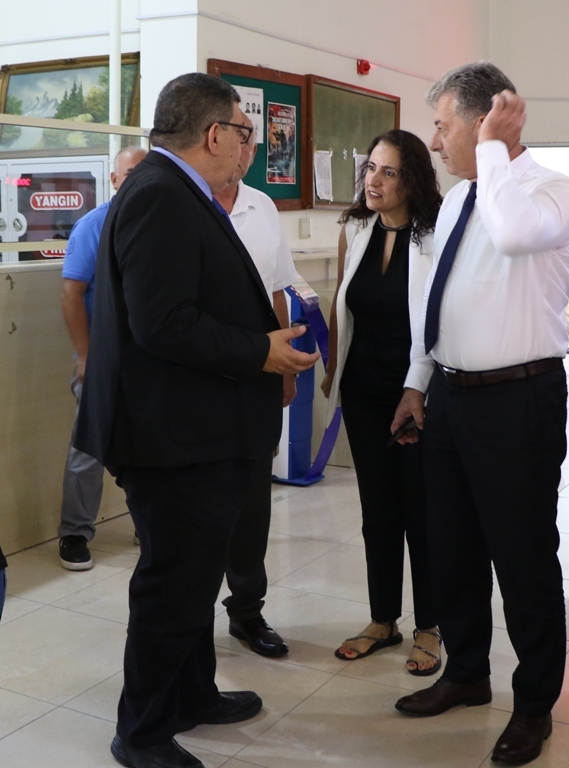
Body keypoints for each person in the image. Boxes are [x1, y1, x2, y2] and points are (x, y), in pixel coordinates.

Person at [75, 73, 320, 768]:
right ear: (214, 134)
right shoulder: (160, 195)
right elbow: (162, 323)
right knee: (172, 587)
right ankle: (143, 733)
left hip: (194, 430)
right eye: (244, 133)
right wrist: (258, 351)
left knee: (194, 580)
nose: (248, 146)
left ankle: (192, 695)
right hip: (173, 438)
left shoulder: (176, 190)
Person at [391, 62, 569, 766]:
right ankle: (468, 672)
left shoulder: (555, 191)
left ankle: (533, 705)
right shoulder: (455, 202)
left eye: (443, 126)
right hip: (450, 396)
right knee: (453, 549)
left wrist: (496, 153)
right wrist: (417, 382)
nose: (434, 141)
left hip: (518, 401)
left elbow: (510, 234)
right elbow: (435, 299)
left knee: (523, 557)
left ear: (484, 122)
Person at [318, 129, 443, 675]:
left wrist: (421, 387)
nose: (374, 180)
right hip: (364, 390)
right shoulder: (356, 229)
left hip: (417, 394)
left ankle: (430, 626)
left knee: (422, 512)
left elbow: (439, 317)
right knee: (378, 512)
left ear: (411, 179)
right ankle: (382, 619)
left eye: (388, 172)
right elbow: (342, 304)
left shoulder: (434, 236)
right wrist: (333, 366)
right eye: (370, 168)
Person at [215, 129, 300, 658]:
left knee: (251, 504)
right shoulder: (184, 204)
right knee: (200, 507)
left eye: (251, 143)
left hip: (257, 376)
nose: (245, 152)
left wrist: (285, 367)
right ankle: (185, 620)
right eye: (237, 140)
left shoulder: (262, 206)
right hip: (200, 377)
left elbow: (277, 290)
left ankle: (247, 611)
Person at [57, 145, 146, 570]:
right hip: (101, 361)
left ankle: (147, 523)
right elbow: (71, 293)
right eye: (129, 174)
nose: (137, 182)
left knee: (147, 447)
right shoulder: (94, 225)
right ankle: (75, 533)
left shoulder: (158, 224)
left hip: (147, 363)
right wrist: (85, 355)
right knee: (87, 450)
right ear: (113, 179)